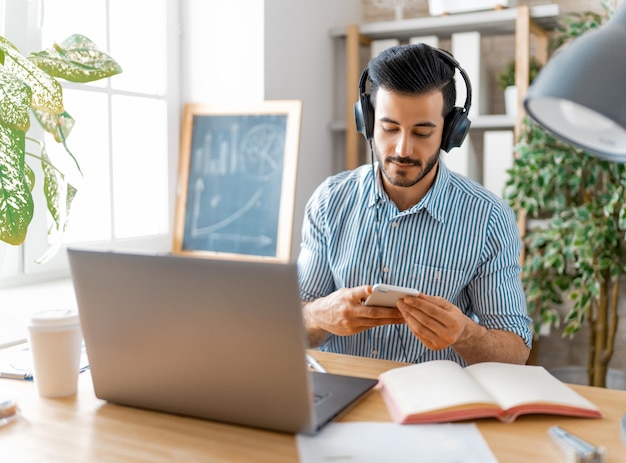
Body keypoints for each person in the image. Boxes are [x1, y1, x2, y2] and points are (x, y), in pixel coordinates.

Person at [297, 43, 532, 366]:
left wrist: (465, 334)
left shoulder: (489, 218)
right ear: (367, 121)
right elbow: (291, 327)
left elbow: (515, 351)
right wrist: (316, 316)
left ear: (451, 131)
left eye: (422, 132)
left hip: (437, 405)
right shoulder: (329, 201)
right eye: (389, 128)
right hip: (340, 399)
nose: (402, 148)